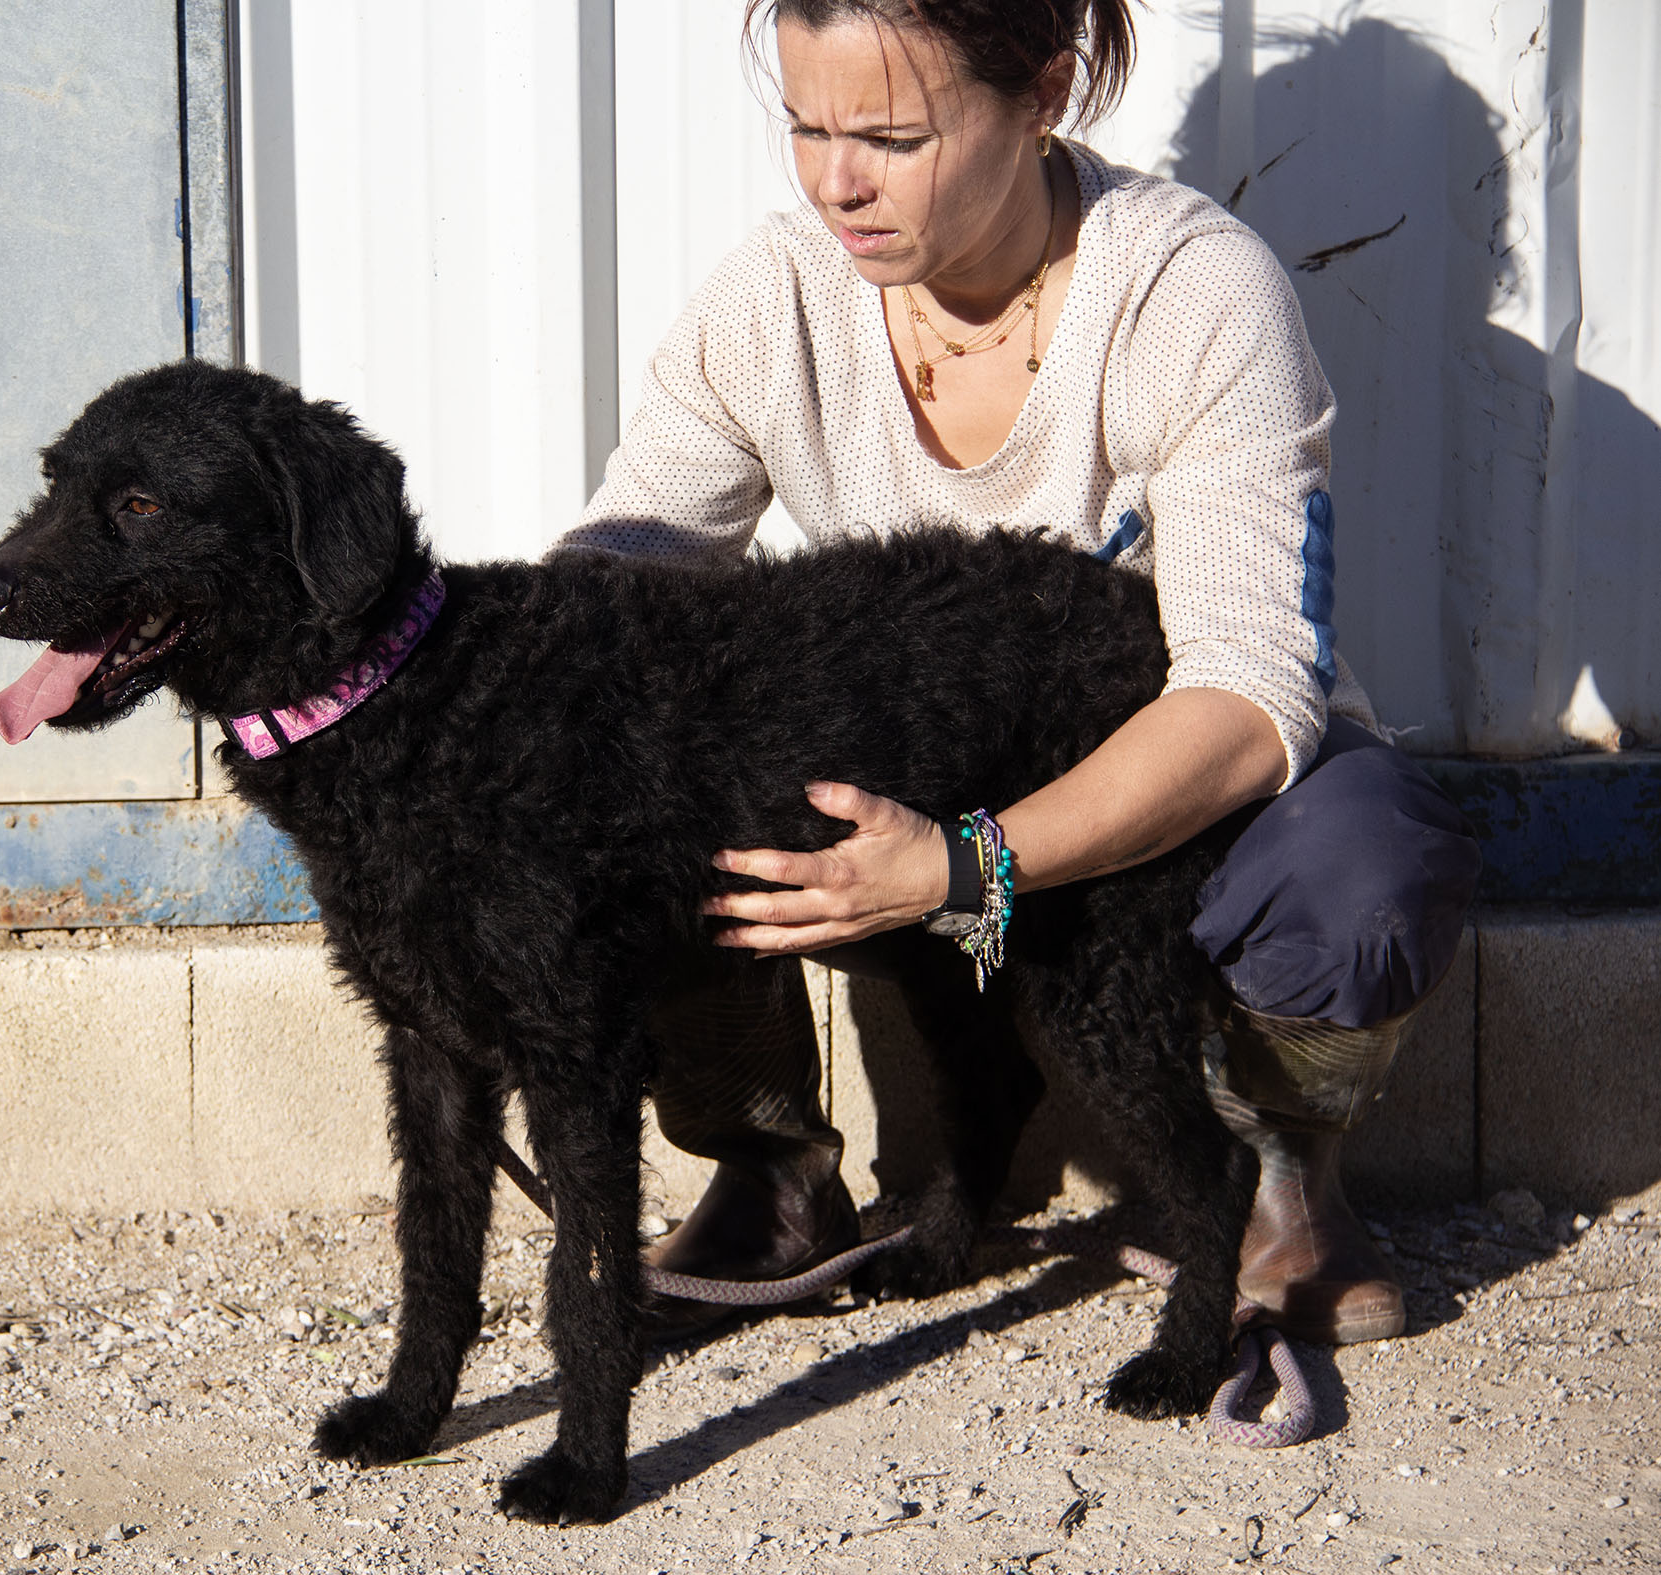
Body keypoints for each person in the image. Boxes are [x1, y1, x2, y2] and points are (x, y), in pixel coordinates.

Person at [553, 0, 1481, 1346]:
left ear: (1043, 95)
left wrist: (965, 865)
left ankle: (1273, 1166)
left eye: (891, 138)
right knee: (603, 754)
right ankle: (769, 1165)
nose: (835, 182)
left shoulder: (1188, 291)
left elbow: (1246, 691)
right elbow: (617, 586)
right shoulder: (773, 302)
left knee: (1358, 874)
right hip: (923, 780)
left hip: (1172, 787)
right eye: (805, 127)